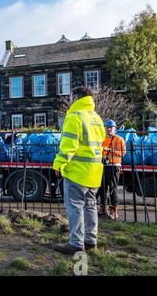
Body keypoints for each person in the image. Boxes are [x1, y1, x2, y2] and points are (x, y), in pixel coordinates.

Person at [52, 86, 105, 254]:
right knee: (91, 206)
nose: (70, 100)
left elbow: (69, 145)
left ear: (77, 98)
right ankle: (91, 241)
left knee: (75, 207)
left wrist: (58, 163)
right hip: (95, 171)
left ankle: (76, 243)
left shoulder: (75, 116)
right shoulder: (97, 118)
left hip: (77, 171)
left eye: (71, 97)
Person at [97, 119, 126, 220]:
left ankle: (114, 211)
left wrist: (110, 151)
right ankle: (102, 208)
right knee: (102, 188)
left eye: (111, 127)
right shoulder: (102, 139)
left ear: (114, 129)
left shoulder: (119, 139)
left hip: (114, 166)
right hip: (103, 166)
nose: (109, 129)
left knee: (113, 188)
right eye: (107, 127)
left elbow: (123, 153)